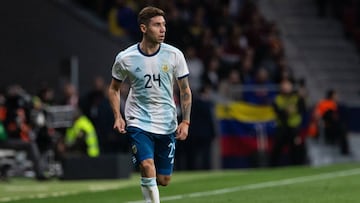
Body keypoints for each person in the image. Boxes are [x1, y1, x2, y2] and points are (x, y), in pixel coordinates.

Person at [108, 6, 192, 203]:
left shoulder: (174, 55)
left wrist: (185, 122)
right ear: (144, 28)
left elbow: (185, 90)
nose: (163, 29)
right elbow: (113, 89)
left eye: (164, 25)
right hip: (138, 120)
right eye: (157, 25)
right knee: (147, 165)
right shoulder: (125, 58)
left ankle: (150, 185)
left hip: (166, 122)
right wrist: (118, 116)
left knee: (163, 179)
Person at [270, 80, 306, 166]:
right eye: (284, 85)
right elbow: (277, 112)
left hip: (294, 127)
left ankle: (297, 165)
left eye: (288, 85)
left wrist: (292, 110)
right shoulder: (277, 98)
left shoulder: (297, 98)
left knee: (296, 146)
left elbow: (302, 109)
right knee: (277, 147)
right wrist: (287, 111)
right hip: (282, 127)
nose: (286, 87)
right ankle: (272, 166)